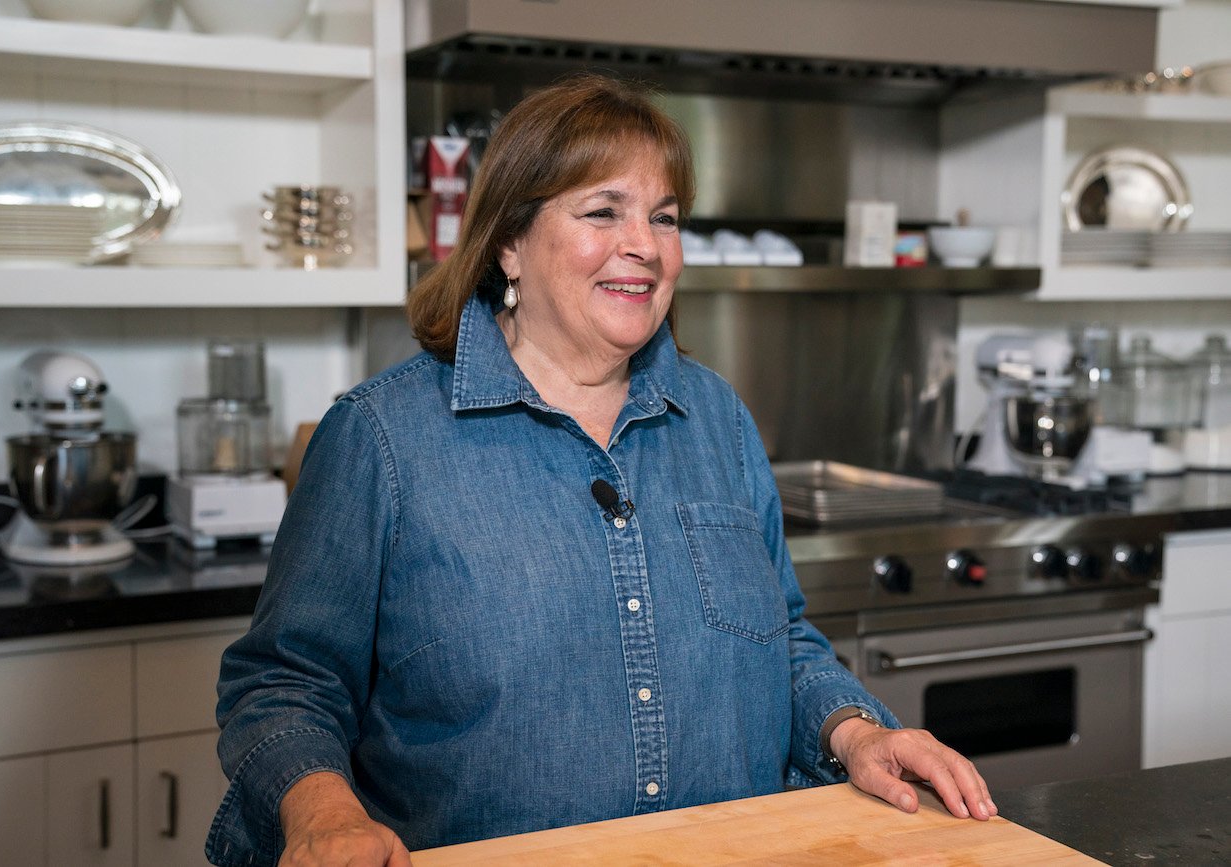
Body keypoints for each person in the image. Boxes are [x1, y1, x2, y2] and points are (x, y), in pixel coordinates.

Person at [206, 74, 995, 867]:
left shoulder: (716, 418)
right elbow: (285, 679)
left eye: (664, 218)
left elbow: (780, 642)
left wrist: (858, 734)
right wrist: (323, 810)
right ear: (509, 241)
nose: (645, 246)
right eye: (603, 211)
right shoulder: (383, 436)